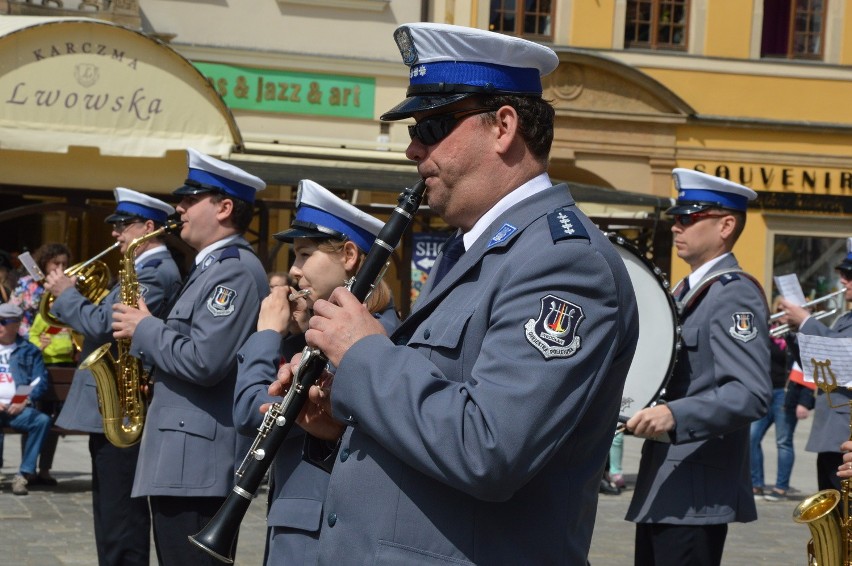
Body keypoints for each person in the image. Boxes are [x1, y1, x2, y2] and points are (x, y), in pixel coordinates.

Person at [270, 23, 639, 565]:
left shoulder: (564, 261)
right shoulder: (478, 249)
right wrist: (342, 415)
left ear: (503, 127)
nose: (413, 148)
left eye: (433, 125)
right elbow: (439, 409)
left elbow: (491, 447)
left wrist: (364, 355)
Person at [111, 148, 268, 566]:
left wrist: (144, 328)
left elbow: (205, 360)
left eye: (189, 199)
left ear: (225, 207)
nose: (177, 207)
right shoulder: (209, 267)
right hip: (180, 460)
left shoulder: (233, 270)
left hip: (196, 467)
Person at [235, 179, 399, 565]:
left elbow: (249, 411)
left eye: (305, 254)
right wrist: (294, 336)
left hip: (317, 538)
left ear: (349, 255)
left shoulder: (369, 339)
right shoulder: (323, 334)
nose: (293, 270)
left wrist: (267, 335)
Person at [624, 168, 771, 566]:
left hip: (696, 490)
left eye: (688, 218)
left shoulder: (733, 294)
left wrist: (673, 414)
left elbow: (750, 393)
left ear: (725, 225)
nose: (676, 226)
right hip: (668, 483)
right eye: (675, 217)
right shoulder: (686, 292)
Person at [44, 188, 181, 566]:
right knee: (110, 512)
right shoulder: (140, 268)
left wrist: (68, 295)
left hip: (124, 404)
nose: (115, 233)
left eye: (123, 225)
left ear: (148, 227)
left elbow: (108, 324)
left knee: (120, 515)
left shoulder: (155, 269)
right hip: (113, 404)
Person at [779, 239, 852, 493]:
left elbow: (844, 356)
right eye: (844, 275)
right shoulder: (845, 318)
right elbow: (818, 365)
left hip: (845, 433)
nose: (843, 281)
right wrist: (795, 329)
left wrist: (806, 321)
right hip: (832, 432)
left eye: (850, 276)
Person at [8, 242, 72, 485]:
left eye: (65, 264)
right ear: (44, 262)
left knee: (53, 416)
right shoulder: (28, 285)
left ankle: (45, 469)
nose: (61, 268)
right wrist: (31, 340)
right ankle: (28, 468)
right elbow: (14, 317)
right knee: (34, 411)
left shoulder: (68, 285)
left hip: (62, 358)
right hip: (30, 356)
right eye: (56, 263)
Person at [750, 297, 813, 502]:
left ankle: (781, 487)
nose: (782, 313)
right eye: (779, 309)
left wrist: (804, 401)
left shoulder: (800, 334)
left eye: (786, 310)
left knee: (783, 442)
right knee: (752, 437)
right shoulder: (767, 331)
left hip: (786, 394)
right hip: (764, 392)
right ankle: (756, 484)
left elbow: (808, 369)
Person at [0, 302, 51, 496]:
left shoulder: (29, 350)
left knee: (42, 420)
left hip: (16, 409)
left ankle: (23, 474)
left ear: (16, 324)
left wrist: (22, 401)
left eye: (2, 322)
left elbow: (39, 380)